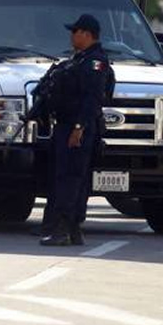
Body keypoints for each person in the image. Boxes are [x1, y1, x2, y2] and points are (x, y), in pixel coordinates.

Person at [40, 14, 114, 247]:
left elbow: (92, 99)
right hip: (67, 126)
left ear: (86, 34)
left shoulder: (95, 63)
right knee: (70, 178)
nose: (71, 36)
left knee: (70, 179)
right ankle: (72, 230)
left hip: (78, 129)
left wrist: (79, 128)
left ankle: (63, 229)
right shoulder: (81, 60)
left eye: (75, 31)